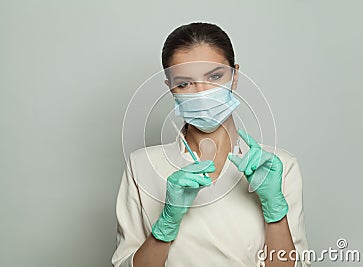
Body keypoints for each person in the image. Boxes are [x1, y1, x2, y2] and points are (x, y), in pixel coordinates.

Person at [111, 22, 310, 267]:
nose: (202, 93)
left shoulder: (279, 167)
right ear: (170, 88)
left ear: (235, 75)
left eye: (215, 77)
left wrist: (275, 213)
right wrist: (165, 228)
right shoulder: (141, 166)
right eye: (184, 83)